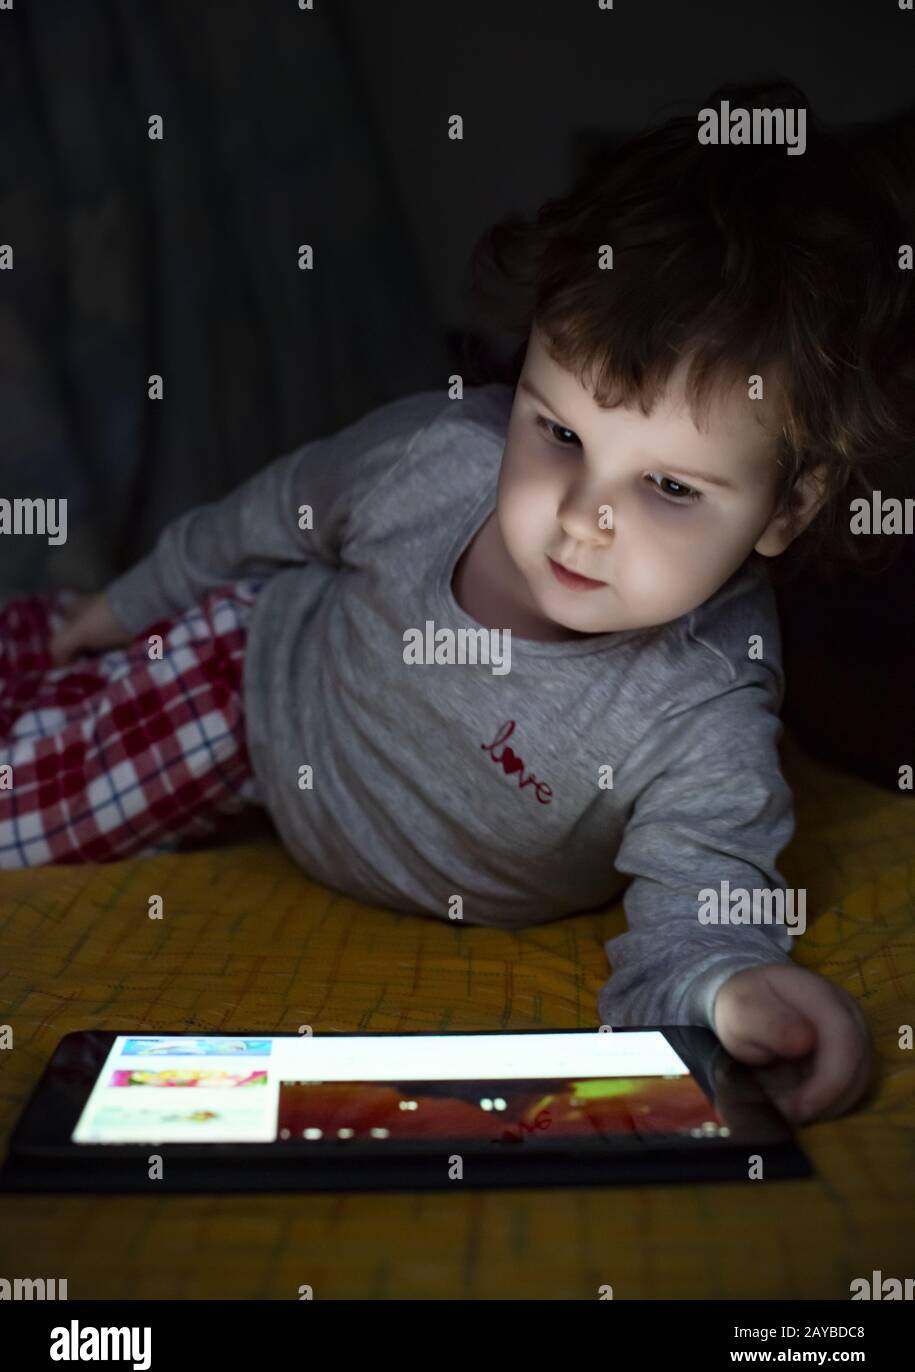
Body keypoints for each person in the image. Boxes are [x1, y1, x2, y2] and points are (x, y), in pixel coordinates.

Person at [3, 82, 911, 1125]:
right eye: (559, 433)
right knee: (31, 771)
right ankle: (55, 632)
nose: (579, 519)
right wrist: (123, 605)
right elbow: (267, 512)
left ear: (784, 510)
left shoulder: (706, 706)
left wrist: (730, 990)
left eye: (666, 487)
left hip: (330, 782)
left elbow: (702, 907)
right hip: (255, 688)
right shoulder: (429, 462)